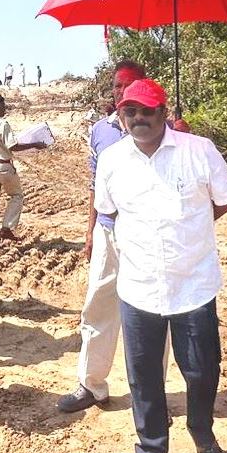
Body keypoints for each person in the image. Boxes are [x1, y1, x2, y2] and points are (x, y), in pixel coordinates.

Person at [94, 79, 227, 453]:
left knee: (202, 369)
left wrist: (192, 229)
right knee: (143, 377)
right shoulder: (112, 159)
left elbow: (225, 199)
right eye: (130, 111)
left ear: (164, 112)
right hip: (138, 286)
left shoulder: (199, 150)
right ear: (121, 115)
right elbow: (107, 210)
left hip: (193, 284)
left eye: (147, 111)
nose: (138, 118)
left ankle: (203, 434)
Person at [58, 60, 156, 413]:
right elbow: (94, 186)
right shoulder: (100, 130)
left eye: (127, 86)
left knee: (151, 313)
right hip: (108, 233)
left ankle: (152, 394)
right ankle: (91, 384)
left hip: (148, 237)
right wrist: (90, 233)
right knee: (98, 305)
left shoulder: (165, 129)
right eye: (116, 86)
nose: (119, 92)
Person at [0, 95, 46, 250]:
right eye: (2, 105)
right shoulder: (2, 124)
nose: (4, 108)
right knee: (17, 195)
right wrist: (34, 144)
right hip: (2, 165)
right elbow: (12, 146)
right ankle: (7, 227)